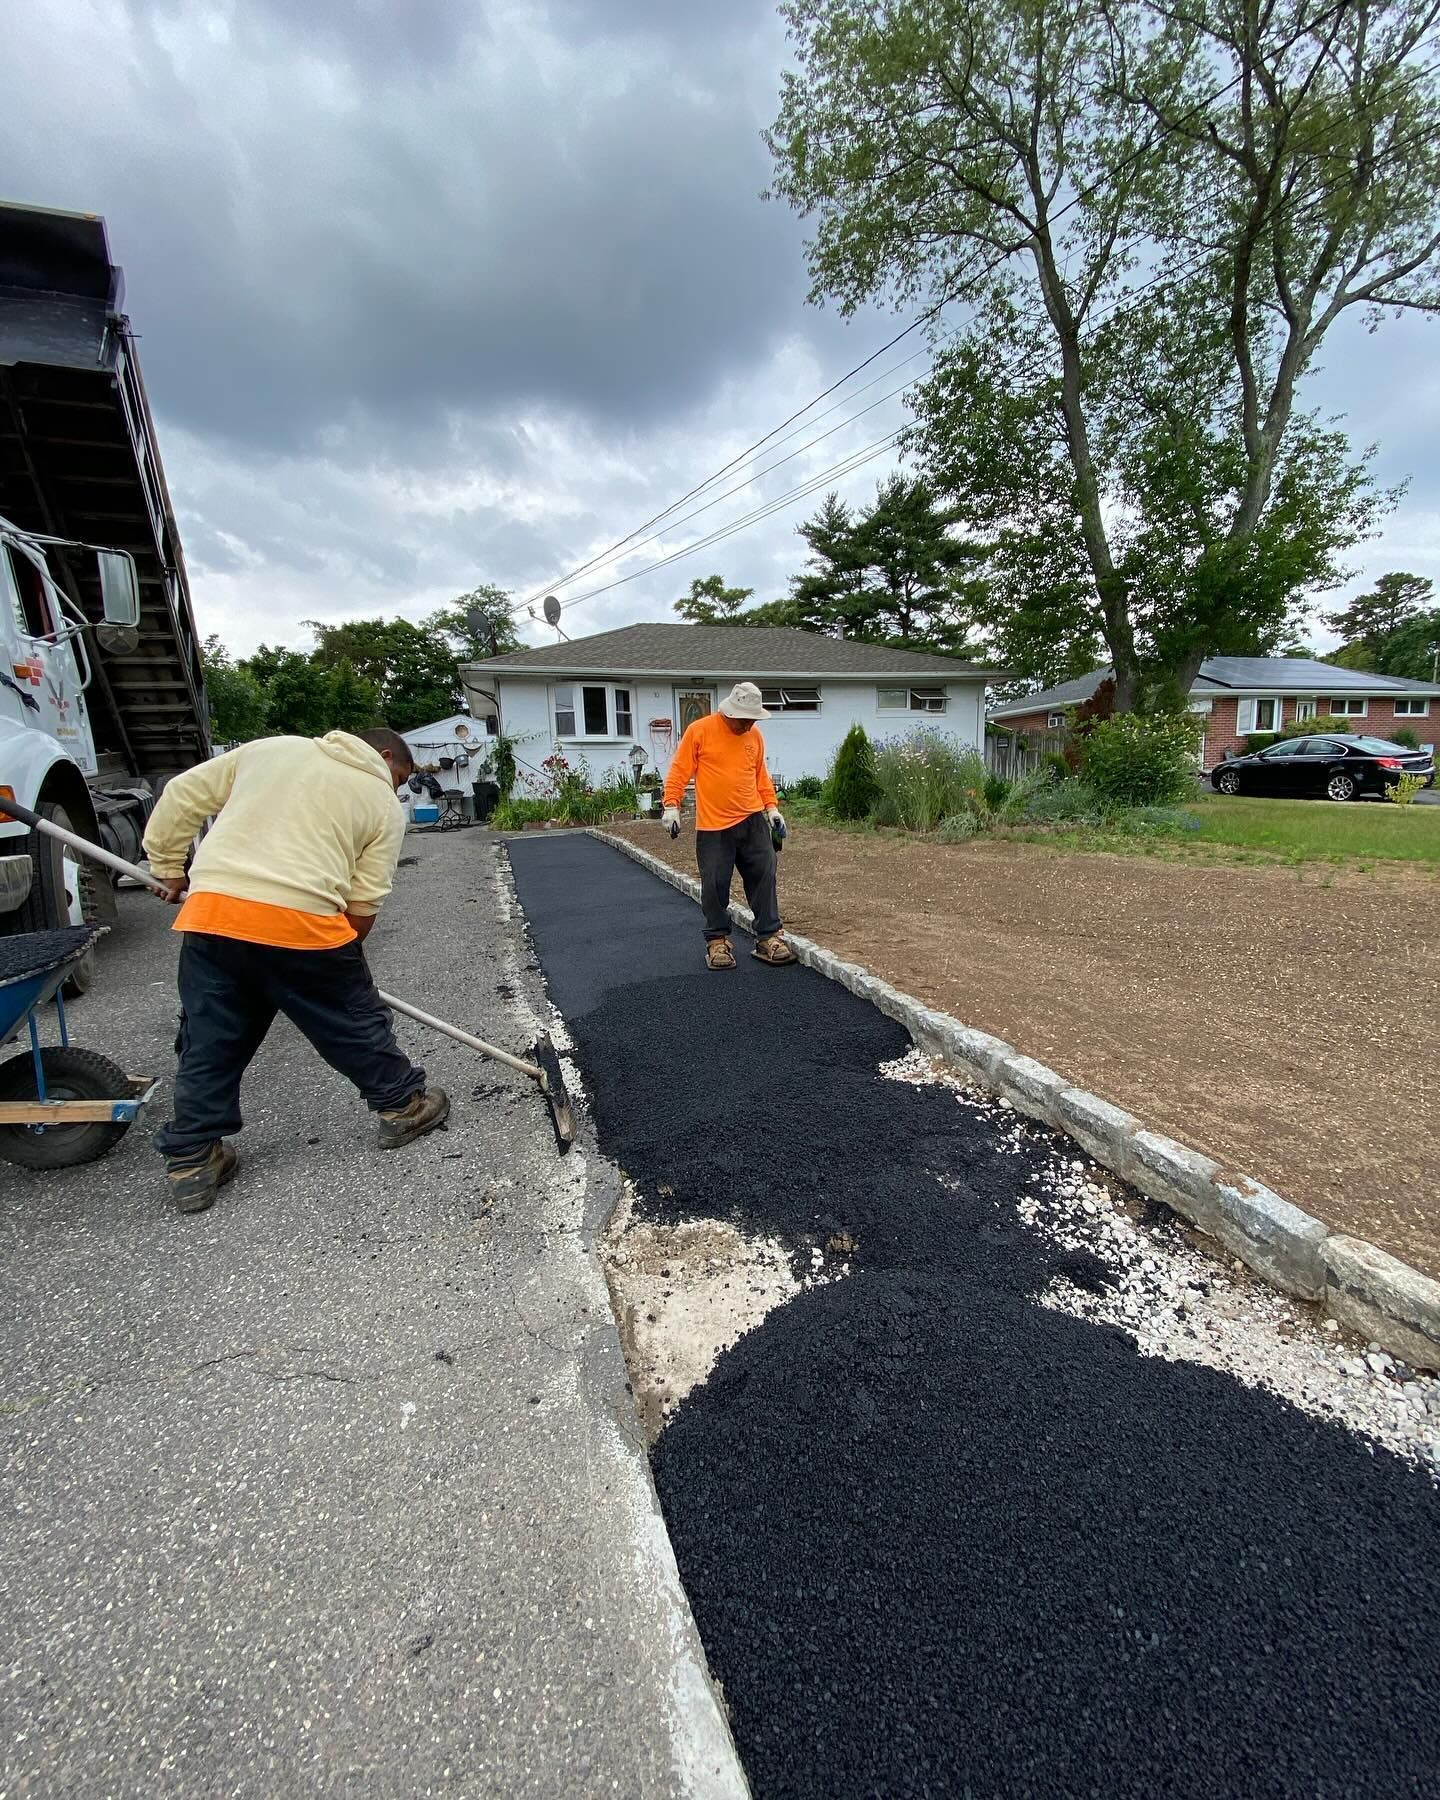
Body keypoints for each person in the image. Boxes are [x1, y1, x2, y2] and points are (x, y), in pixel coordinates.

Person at [142, 727, 449, 1214]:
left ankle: (193, 1160)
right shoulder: (382, 804)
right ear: (385, 755)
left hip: (214, 918)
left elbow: (181, 793)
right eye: (400, 777)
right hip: (303, 920)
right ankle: (402, 1106)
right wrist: (340, 970)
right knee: (351, 1021)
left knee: (211, 1037)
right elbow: (362, 905)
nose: (397, 789)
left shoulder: (268, 750)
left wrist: (168, 865)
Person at [661, 681, 798, 971]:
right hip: (714, 826)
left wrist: (772, 808)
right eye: (746, 719)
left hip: (752, 821)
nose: (750, 724)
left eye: (754, 719)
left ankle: (768, 937)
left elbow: (761, 775)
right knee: (714, 884)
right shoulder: (700, 730)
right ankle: (717, 941)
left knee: (764, 875)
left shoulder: (755, 736)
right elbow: (679, 769)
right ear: (731, 713)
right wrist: (671, 805)